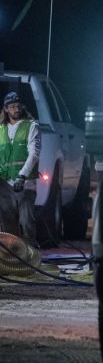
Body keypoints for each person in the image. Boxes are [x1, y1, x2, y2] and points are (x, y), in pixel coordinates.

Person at [0, 92, 41, 247]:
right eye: (12, 107)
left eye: (18, 106)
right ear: (6, 109)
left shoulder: (31, 126)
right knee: (8, 227)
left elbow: (34, 153)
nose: (16, 109)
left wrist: (22, 176)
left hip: (25, 184)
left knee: (27, 223)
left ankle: (31, 259)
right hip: (4, 185)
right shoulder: (1, 129)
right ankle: (14, 262)